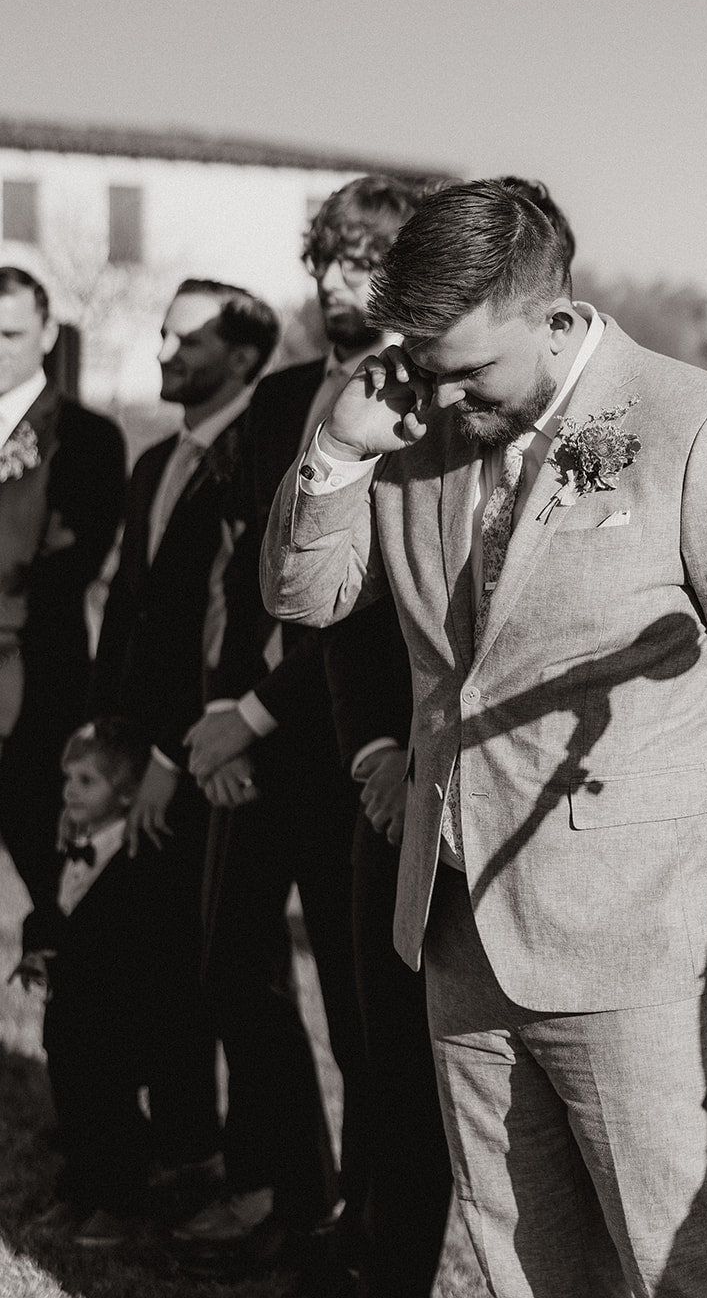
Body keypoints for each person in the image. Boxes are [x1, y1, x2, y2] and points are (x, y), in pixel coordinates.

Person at [261, 179, 707, 1298]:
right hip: (456, 926)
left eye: (470, 369)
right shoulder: (405, 421)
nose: (443, 394)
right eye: (425, 363)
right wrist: (338, 454)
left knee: (680, 1264)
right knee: (523, 1266)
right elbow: (306, 601)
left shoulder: (699, 427)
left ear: (551, 314)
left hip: (651, 938)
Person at [181, 174, 453, 1291]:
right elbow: (277, 583)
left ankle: (380, 1245)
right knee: (252, 980)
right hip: (300, 739)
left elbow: (376, 604)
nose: (332, 282)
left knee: (378, 1036)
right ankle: (324, 1220)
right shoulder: (293, 391)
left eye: (356, 261)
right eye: (323, 263)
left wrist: (259, 714)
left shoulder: (435, 396)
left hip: (377, 741)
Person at [90, 277, 282, 1224]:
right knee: (161, 962)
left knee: (231, 973)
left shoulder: (259, 454)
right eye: (161, 335)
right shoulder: (156, 459)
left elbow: (229, 621)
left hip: (222, 749)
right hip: (146, 751)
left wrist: (179, 751)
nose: (164, 352)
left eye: (186, 340)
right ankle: (185, 1149)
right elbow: (137, 608)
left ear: (243, 356)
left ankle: (256, 1181)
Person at [15, 718, 216, 1249]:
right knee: (73, 1107)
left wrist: (73, 959)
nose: (70, 790)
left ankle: (121, 1204)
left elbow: (128, 942)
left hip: (114, 1021)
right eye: (69, 778)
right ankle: (78, 1190)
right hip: (69, 1019)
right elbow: (50, 912)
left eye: (87, 781)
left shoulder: (141, 856)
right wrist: (36, 949)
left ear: (126, 792)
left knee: (111, 1113)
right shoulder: (69, 845)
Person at [0, 267, 125, 912]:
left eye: (9, 334)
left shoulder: (86, 438)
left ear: (47, 333)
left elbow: (66, 566)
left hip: (32, 686)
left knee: (55, 886)